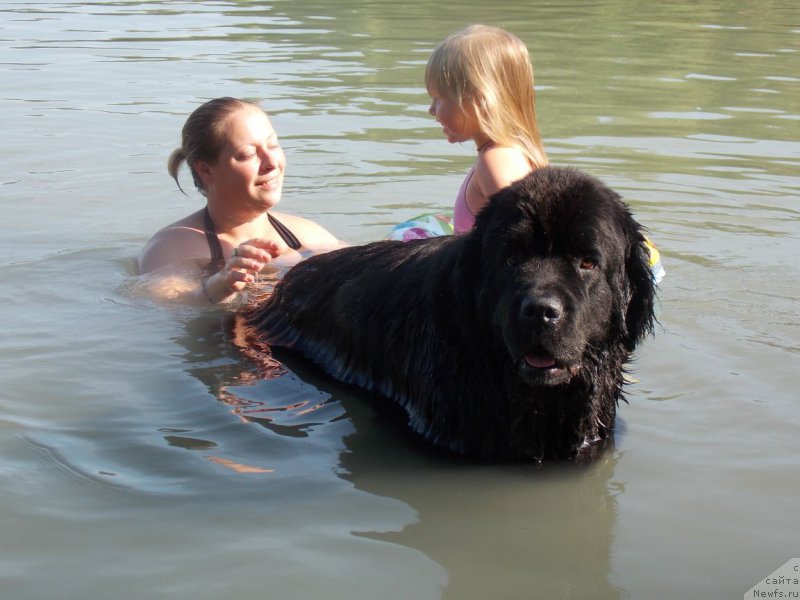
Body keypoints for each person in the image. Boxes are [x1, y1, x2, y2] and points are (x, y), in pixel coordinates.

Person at [138, 97, 343, 303]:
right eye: (248, 154)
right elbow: (167, 306)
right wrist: (219, 285)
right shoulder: (172, 248)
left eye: (273, 145)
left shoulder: (309, 237)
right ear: (206, 170)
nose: (271, 163)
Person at [426, 24, 549, 234]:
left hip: (474, 267)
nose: (431, 110)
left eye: (439, 99)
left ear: (479, 101)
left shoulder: (497, 159)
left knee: (352, 254)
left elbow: (525, 235)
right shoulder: (506, 151)